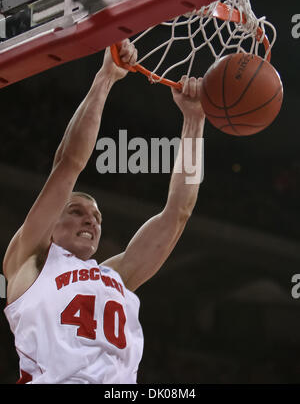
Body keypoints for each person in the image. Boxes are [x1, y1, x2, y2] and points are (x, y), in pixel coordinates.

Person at [3, 39, 205, 384]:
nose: (91, 220)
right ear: (51, 223)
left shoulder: (116, 277)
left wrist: (194, 121)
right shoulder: (29, 261)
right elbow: (68, 164)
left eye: (96, 217)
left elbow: (178, 212)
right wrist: (106, 77)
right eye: (77, 211)